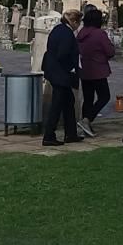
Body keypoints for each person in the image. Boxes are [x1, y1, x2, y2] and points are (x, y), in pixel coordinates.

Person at [41, 9, 84, 147]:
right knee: (57, 104)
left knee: (68, 101)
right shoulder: (67, 34)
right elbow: (63, 54)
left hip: (53, 71)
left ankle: (70, 133)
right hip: (60, 73)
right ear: (75, 22)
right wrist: (71, 68)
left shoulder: (57, 29)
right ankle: (49, 135)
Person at [77, 9, 114, 137]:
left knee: (88, 98)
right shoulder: (99, 34)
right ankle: (87, 120)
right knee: (104, 96)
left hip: (85, 69)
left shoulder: (81, 33)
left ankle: (85, 126)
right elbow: (110, 51)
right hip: (98, 70)